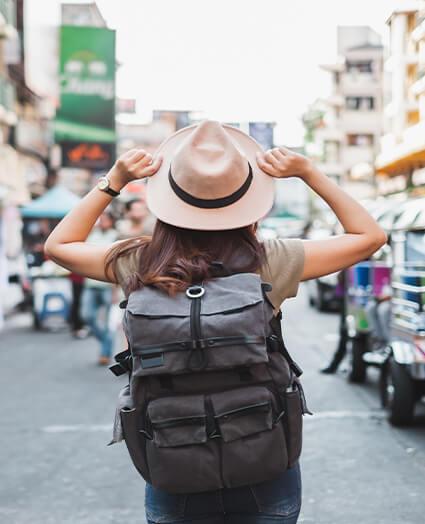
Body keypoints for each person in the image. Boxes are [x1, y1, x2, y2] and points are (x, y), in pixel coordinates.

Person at [44, 120, 387, 523]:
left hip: (174, 464)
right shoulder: (271, 260)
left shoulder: (139, 262)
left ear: (169, 197)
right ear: (247, 201)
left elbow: (58, 246)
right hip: (265, 461)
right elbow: (370, 236)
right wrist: (309, 173)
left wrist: (114, 180)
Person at [80, 211, 118, 365]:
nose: (102, 222)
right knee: (87, 316)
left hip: (108, 286)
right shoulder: (92, 235)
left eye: (105, 219)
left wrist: (117, 288)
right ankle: (105, 342)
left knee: (109, 322)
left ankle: (105, 352)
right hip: (91, 284)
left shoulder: (116, 236)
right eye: (100, 219)